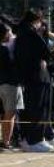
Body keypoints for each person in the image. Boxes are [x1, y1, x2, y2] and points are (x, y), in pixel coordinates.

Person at [14, 9, 54, 153]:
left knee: (31, 108)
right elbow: (47, 52)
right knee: (38, 108)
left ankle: (30, 139)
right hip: (37, 75)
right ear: (37, 20)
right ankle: (34, 139)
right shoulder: (31, 34)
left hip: (28, 76)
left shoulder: (21, 32)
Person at [0, 22, 23, 150]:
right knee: (10, 114)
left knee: (6, 114)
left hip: (2, 84)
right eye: (9, 32)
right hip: (10, 84)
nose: (11, 34)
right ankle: (6, 142)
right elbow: (12, 65)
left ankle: (5, 141)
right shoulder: (4, 49)